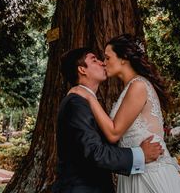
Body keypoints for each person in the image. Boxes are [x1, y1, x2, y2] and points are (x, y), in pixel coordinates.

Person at [70, 35, 180, 193]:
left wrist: (89, 97)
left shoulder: (138, 85)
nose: (104, 63)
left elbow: (113, 133)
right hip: (135, 170)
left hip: (149, 174)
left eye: (107, 57)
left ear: (123, 58)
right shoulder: (130, 88)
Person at [53, 47, 164, 193]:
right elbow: (94, 152)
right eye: (94, 60)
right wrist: (140, 154)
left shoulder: (86, 101)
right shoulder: (76, 103)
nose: (102, 63)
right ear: (82, 70)